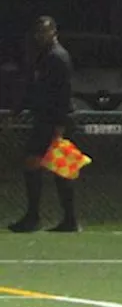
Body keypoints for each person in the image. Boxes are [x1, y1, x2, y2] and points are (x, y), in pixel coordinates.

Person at [7, 16, 78, 233]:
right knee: (52, 167)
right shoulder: (43, 56)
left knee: (49, 165)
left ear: (54, 32)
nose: (41, 36)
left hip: (54, 120)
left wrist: (60, 125)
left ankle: (41, 217)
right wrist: (17, 111)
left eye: (45, 32)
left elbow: (63, 93)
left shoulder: (58, 57)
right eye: (38, 32)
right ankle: (64, 219)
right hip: (44, 119)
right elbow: (33, 89)